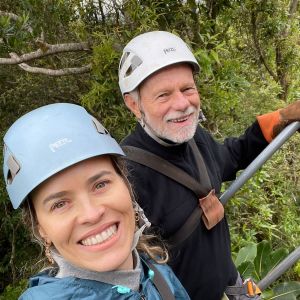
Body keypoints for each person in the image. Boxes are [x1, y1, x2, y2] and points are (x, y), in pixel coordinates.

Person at [118, 30, 300, 300]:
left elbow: (232, 156)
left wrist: (279, 119)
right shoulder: (125, 176)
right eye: (163, 95)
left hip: (230, 287)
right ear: (134, 104)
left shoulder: (195, 140)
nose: (182, 104)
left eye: (187, 89)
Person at [2, 103, 190, 299]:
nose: (91, 214)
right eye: (59, 204)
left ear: (127, 186)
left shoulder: (157, 272)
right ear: (41, 228)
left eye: (100, 185)